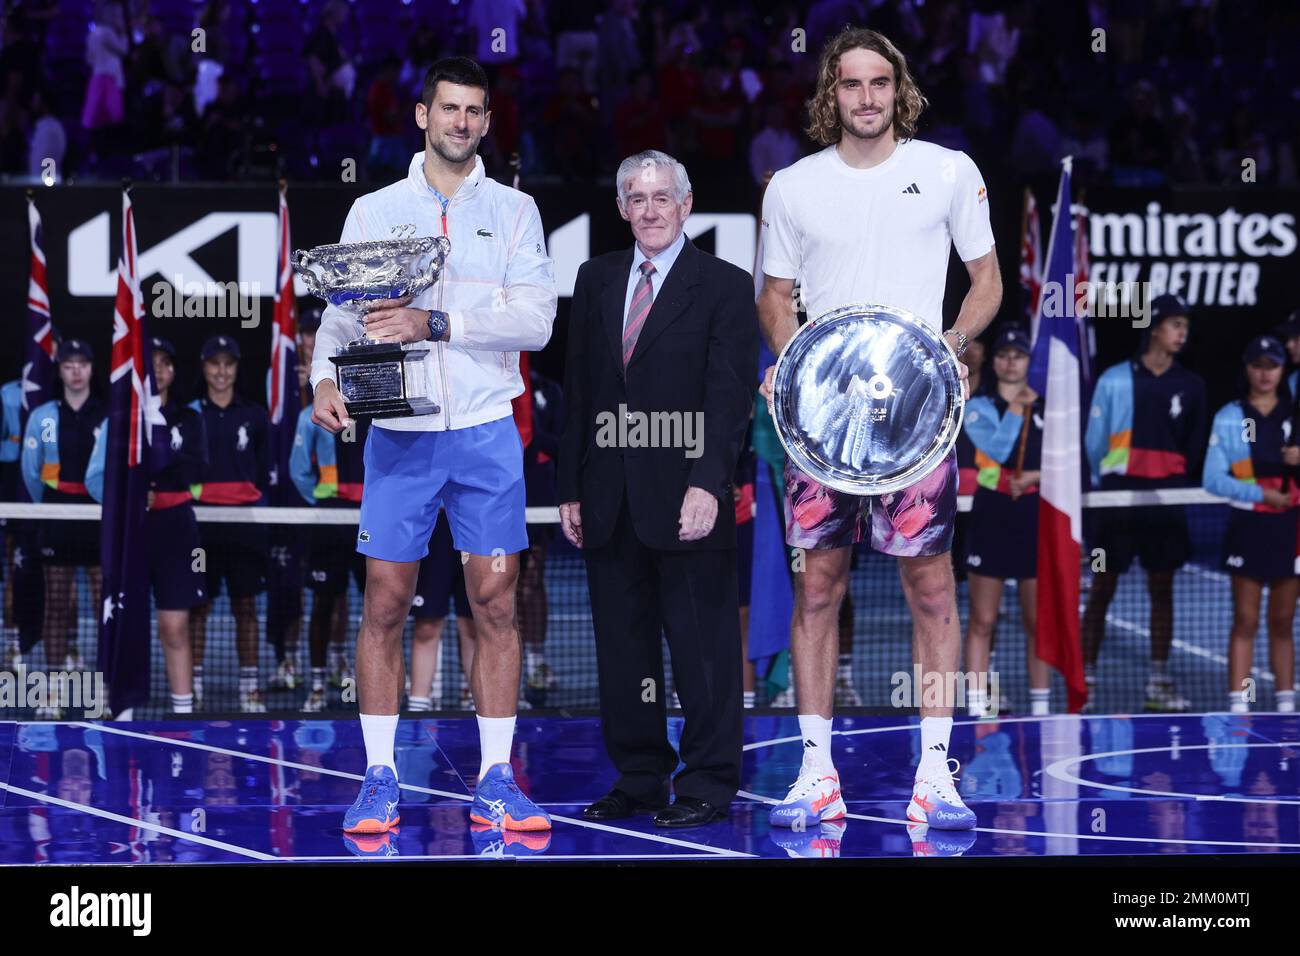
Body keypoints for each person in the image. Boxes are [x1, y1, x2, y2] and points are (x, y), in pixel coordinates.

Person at [756, 27, 1001, 831]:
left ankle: (936, 774)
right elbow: (774, 295)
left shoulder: (946, 172)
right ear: (833, 92)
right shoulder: (792, 185)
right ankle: (817, 770)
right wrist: (795, 373)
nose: (866, 98)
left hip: (917, 421)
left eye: (880, 84)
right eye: (852, 84)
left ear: (899, 90)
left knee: (931, 590)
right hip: (822, 430)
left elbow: (986, 282)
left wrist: (952, 349)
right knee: (817, 587)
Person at [310, 57, 556, 835]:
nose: (461, 122)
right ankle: (379, 778)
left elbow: (536, 323)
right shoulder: (375, 210)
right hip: (402, 437)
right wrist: (323, 378)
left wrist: (436, 323)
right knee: (384, 601)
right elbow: (344, 318)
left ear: (486, 121)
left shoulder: (516, 211)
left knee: (495, 602)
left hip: (486, 433)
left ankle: (495, 780)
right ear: (422, 115)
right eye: (449, 108)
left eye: (474, 111)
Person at [558, 148, 758, 827]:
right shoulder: (593, 278)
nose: (650, 209)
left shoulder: (727, 286)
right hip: (609, 499)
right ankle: (641, 777)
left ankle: (707, 781)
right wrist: (570, 488)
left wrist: (710, 483)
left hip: (688, 502)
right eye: (637, 198)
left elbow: (729, 400)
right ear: (622, 208)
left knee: (703, 653)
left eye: (661, 197)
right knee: (624, 651)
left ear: (686, 204)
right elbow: (580, 391)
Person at [1083, 293, 1207, 712]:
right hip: (1115, 501)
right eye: (1175, 326)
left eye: (1185, 328)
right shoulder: (1115, 379)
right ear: (1154, 327)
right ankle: (1086, 681)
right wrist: (1108, 485)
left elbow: (1193, 446)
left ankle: (1158, 680)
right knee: (1101, 587)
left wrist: (1172, 480)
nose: (1182, 334)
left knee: (1162, 589)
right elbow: (1094, 444)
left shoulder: (1192, 386)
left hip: (1165, 501)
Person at [87, 337, 208, 714]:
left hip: (177, 531)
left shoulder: (190, 419)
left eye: (165, 363)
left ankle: (184, 714)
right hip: (130, 533)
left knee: (174, 626)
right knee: (126, 624)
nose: (157, 370)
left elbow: (195, 468)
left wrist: (152, 481)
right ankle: (121, 709)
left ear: (174, 371)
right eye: (149, 363)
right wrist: (130, 496)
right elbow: (96, 477)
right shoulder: (119, 420)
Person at [1202, 336, 1298, 714]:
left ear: (1282, 370)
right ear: (1247, 369)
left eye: (1271, 366)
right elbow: (1212, 478)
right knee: (1245, 618)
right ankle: (1240, 704)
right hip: (1248, 525)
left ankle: (1287, 705)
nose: (1264, 373)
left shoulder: (1295, 415)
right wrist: (1261, 494)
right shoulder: (1229, 416)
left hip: (1291, 527)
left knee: (1283, 619)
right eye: (1257, 365)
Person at [960, 325, 1050, 718]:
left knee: (1037, 620)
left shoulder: (1050, 408)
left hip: (1035, 518)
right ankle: (979, 706)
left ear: (1030, 361)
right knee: (983, 618)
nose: (1010, 361)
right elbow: (996, 448)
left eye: (1019, 354)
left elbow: (1070, 463)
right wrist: (1016, 409)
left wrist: (1036, 477)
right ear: (995, 362)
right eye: (1003, 354)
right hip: (992, 515)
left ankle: (1042, 708)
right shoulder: (977, 405)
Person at [21, 339, 105, 718]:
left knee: (104, 603)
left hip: (98, 517)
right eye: (68, 364)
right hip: (56, 516)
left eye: (82, 363)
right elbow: (30, 470)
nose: (75, 370)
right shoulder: (43, 415)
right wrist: (49, 509)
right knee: (56, 603)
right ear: (59, 370)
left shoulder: (107, 415)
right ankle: (54, 688)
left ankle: (102, 689)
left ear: (91, 369)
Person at [188, 335, 271, 713]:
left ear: (236, 368)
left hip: (243, 529)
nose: (221, 371)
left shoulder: (254, 416)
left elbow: (267, 473)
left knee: (246, 607)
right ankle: (193, 685)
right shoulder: (190, 416)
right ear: (203, 367)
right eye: (214, 363)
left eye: (228, 363)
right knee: (198, 607)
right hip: (201, 528)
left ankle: (250, 688)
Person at [288, 386, 369, 713]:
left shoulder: (378, 408)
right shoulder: (313, 416)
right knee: (323, 603)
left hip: (368, 517)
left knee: (377, 605)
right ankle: (319, 685)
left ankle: (370, 682)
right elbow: (298, 471)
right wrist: (324, 500)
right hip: (327, 519)